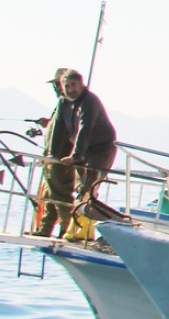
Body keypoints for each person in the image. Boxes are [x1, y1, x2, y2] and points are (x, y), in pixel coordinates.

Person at [35, 67, 119, 237]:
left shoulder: (90, 101)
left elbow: (84, 129)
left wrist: (76, 156)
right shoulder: (63, 102)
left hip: (101, 148)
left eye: (74, 85)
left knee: (88, 188)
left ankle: (84, 232)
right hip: (83, 150)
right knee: (77, 188)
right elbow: (58, 129)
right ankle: (70, 229)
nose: (71, 90)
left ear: (82, 85)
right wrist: (53, 155)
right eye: (67, 86)